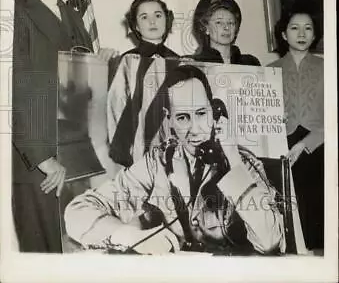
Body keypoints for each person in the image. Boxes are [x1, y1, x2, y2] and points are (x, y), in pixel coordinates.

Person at [65, 65, 285, 255]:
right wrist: (127, 236)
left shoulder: (243, 164)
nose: (196, 129)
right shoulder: (157, 162)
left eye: (201, 113)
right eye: (183, 118)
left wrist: (233, 161)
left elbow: (270, 242)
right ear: (169, 120)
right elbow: (78, 211)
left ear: (214, 111)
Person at [12, 0, 95, 252]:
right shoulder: (16, 13)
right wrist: (42, 158)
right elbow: (11, 90)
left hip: (78, 158)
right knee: (46, 260)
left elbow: (82, 81)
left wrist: (101, 61)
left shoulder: (73, 15)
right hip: (39, 165)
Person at [268, 9, 324, 251]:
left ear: (314, 36)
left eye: (308, 28)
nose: (301, 33)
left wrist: (305, 144)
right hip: (283, 147)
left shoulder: (327, 68)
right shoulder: (269, 70)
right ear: (283, 33)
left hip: (319, 146)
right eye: (294, 27)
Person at [107, 0, 179, 167]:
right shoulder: (125, 63)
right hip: (137, 157)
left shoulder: (181, 62)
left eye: (158, 15)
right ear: (136, 26)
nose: (152, 22)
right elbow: (115, 107)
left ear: (167, 21)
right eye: (144, 17)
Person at [189, 0, 260, 65]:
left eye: (230, 23)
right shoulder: (194, 63)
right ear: (205, 27)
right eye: (219, 22)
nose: (226, 27)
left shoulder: (251, 62)